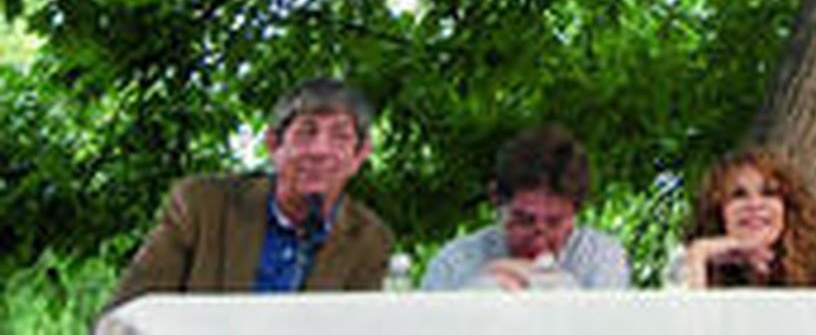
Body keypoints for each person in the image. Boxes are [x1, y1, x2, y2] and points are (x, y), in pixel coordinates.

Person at [102, 77, 392, 313]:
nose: (320, 150)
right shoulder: (202, 205)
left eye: (340, 136)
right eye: (306, 133)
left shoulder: (369, 239)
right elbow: (129, 314)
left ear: (359, 155)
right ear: (273, 145)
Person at [422, 124, 630, 290]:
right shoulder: (455, 263)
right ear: (498, 202)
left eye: (554, 223)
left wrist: (550, 283)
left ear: (576, 213)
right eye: (524, 221)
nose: (539, 238)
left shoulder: (600, 259)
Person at [673, 147, 816, 287]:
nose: (754, 204)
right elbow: (688, 323)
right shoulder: (698, 267)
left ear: (788, 210)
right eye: (738, 195)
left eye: (769, 193)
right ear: (718, 212)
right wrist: (700, 253)